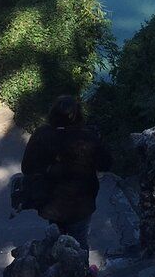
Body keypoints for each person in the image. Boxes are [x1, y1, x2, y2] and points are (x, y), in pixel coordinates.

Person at [20, 95, 113, 253]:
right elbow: (106, 164)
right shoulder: (87, 137)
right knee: (79, 241)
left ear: (53, 114)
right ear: (78, 115)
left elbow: (27, 168)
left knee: (56, 240)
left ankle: (58, 269)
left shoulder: (41, 135)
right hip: (81, 203)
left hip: (51, 203)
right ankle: (81, 272)